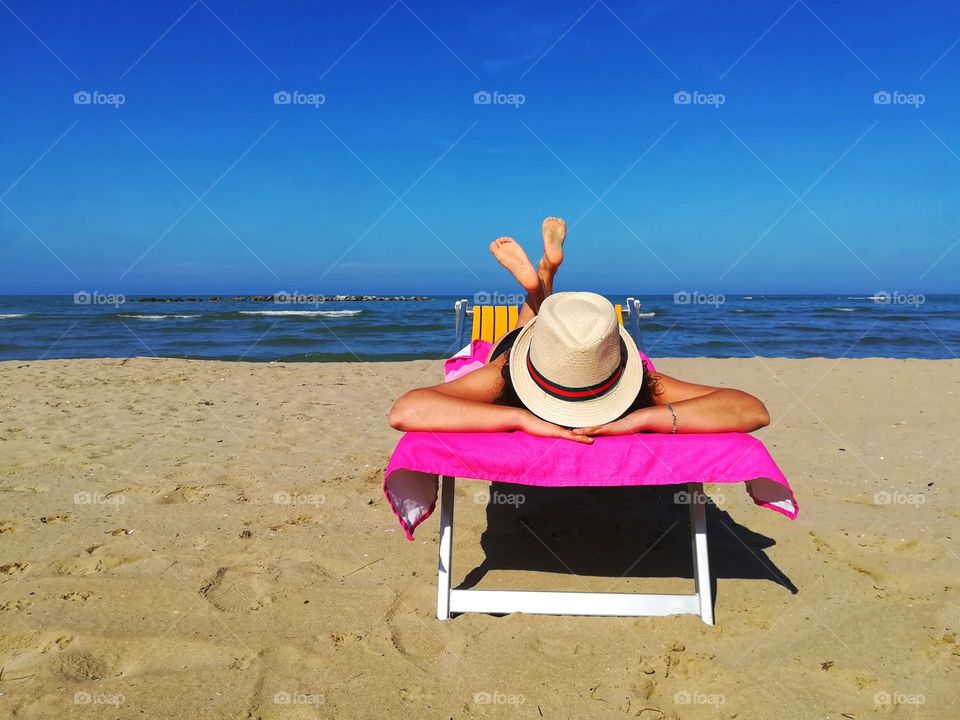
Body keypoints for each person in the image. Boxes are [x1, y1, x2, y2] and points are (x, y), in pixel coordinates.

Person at [388, 217, 770, 445]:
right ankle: (541, 283)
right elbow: (748, 408)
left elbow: (408, 409)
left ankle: (539, 286)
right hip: (536, 362)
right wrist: (641, 415)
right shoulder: (642, 388)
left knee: (539, 330)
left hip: (533, 372)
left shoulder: (499, 380)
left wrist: (520, 418)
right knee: (543, 332)